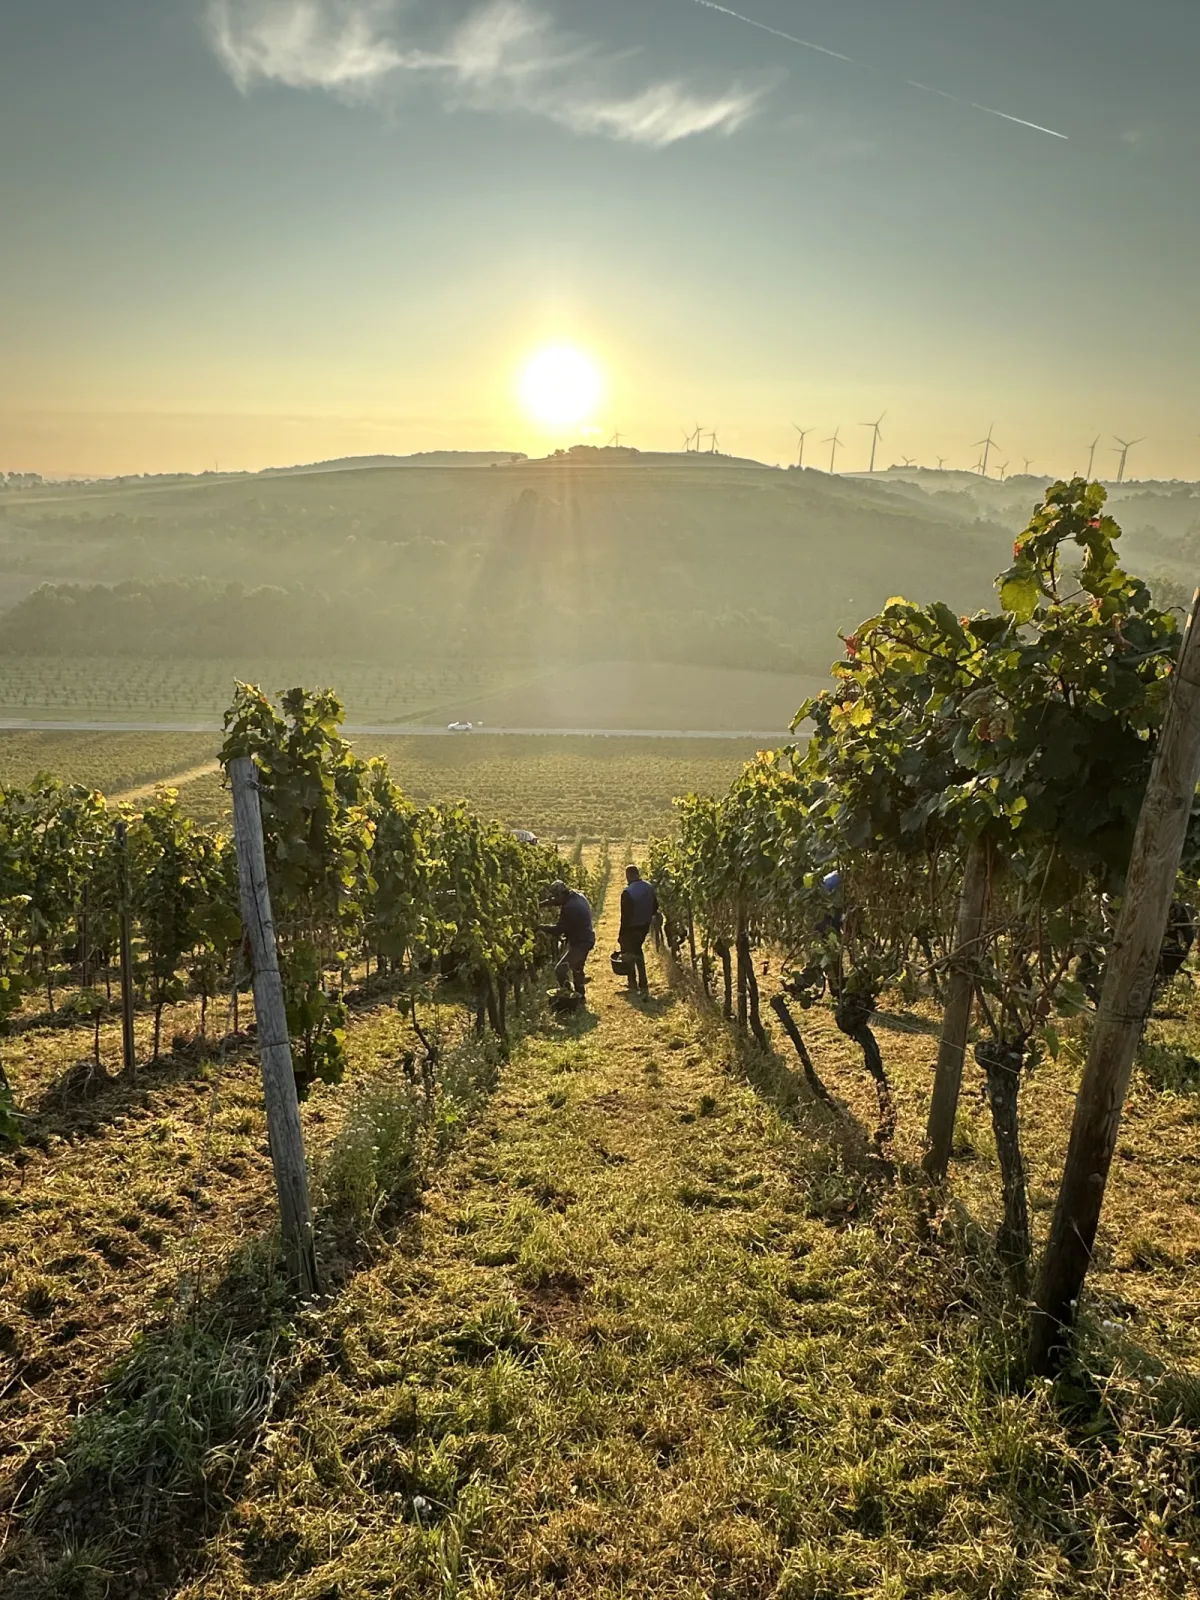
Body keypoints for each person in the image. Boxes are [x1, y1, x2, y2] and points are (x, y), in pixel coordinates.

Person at [541, 879, 595, 999]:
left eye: (555, 897)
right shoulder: (576, 895)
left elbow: (558, 930)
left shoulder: (570, 908)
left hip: (581, 943)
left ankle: (568, 997)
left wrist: (541, 928)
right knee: (577, 969)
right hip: (586, 938)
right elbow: (557, 901)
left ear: (561, 894)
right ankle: (580, 997)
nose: (555, 900)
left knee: (560, 970)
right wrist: (543, 904)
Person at [618, 864, 658, 996]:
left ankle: (634, 984)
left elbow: (625, 916)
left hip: (632, 927)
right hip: (644, 926)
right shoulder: (649, 887)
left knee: (630, 954)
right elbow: (655, 907)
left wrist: (621, 934)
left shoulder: (627, 892)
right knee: (638, 951)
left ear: (629, 875)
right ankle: (643, 983)